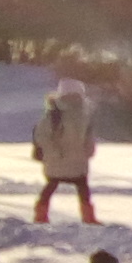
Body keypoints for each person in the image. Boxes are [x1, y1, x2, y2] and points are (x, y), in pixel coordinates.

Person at [31, 77, 96, 225]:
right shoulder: (56, 115)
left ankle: (41, 214)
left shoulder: (82, 113)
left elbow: (88, 135)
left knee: (74, 187)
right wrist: (54, 152)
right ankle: (87, 217)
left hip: (73, 159)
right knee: (63, 186)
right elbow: (42, 136)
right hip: (61, 159)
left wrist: (88, 149)